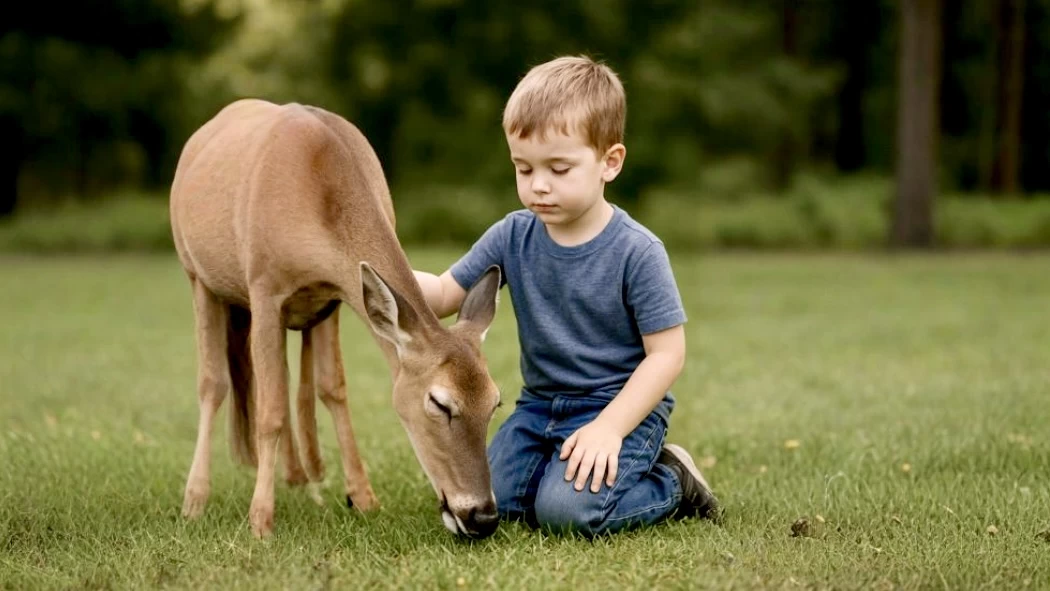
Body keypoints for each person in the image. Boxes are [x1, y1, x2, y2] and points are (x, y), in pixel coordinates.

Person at [412, 55, 719, 536]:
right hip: (540, 407)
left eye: (558, 168)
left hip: (619, 408)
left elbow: (667, 354)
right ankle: (559, 467)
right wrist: (379, 271)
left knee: (568, 513)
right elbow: (446, 292)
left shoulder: (637, 251)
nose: (537, 186)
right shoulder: (513, 235)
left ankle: (672, 480)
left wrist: (610, 429)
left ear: (609, 163)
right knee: (502, 499)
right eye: (523, 167)